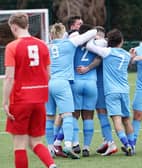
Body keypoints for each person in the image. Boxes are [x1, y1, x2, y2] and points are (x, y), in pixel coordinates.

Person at [2, 13, 57, 168]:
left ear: (13, 27)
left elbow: (9, 77)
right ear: (27, 25)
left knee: (19, 144)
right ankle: (52, 166)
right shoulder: (42, 45)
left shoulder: (12, 47)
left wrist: (5, 102)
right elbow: (49, 74)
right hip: (39, 99)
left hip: (20, 99)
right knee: (35, 141)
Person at [45, 22, 97, 159]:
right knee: (67, 115)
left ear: (51, 35)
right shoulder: (69, 43)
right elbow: (93, 32)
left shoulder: (47, 46)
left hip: (49, 83)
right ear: (64, 34)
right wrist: (70, 36)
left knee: (49, 117)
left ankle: (50, 148)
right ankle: (68, 145)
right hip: (63, 83)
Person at [86, 28, 135, 156]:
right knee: (127, 120)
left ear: (109, 41)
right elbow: (131, 61)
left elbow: (89, 46)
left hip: (111, 92)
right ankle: (132, 145)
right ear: (122, 41)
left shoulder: (107, 52)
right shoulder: (126, 55)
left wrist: (94, 38)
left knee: (116, 120)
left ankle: (126, 145)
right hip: (124, 90)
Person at [77, 26, 115, 156]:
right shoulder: (100, 45)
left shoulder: (100, 44)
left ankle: (110, 142)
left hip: (98, 83)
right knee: (98, 114)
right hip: (97, 83)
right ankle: (106, 141)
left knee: (99, 113)